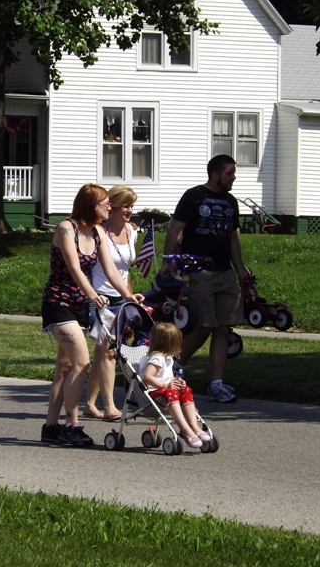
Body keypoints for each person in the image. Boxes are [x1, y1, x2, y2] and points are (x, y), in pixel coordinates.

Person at [41, 183, 145, 446]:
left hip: (79, 305)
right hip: (59, 303)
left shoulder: (98, 232)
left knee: (65, 367)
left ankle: (50, 427)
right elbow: (74, 268)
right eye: (105, 202)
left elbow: (110, 269)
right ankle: (72, 425)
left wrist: (127, 295)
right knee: (82, 361)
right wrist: (91, 294)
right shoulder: (66, 228)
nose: (110, 205)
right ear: (91, 204)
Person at [158, 154, 247, 403]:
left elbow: (232, 238)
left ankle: (216, 384)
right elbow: (176, 230)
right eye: (229, 173)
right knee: (203, 324)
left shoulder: (230, 202)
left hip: (225, 272)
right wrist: (169, 262)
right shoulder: (193, 196)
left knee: (223, 327)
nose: (233, 178)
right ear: (215, 174)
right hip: (198, 271)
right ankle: (177, 365)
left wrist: (240, 270)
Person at [84, 185, 138, 421]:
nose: (130, 210)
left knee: (102, 353)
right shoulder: (99, 233)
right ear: (113, 206)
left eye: (132, 206)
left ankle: (89, 404)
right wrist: (91, 294)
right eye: (125, 205)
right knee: (109, 351)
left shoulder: (131, 231)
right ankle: (109, 407)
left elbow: (125, 271)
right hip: (100, 299)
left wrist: (129, 298)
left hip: (121, 299)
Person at [139, 322, 210, 449]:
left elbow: (169, 377)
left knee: (186, 389)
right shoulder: (157, 358)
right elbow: (147, 377)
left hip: (165, 390)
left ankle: (193, 425)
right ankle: (185, 429)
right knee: (171, 392)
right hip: (153, 393)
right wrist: (166, 385)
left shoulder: (167, 358)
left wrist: (177, 383)